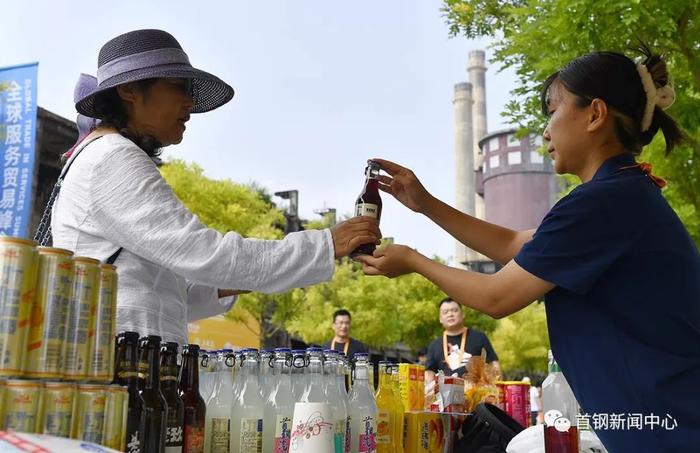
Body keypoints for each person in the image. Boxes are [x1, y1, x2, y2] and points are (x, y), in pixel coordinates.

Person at [356, 45, 700, 451]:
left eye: (553, 111)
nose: (546, 131)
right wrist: (425, 203)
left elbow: (497, 295)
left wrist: (413, 260)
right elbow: (516, 244)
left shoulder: (603, 201)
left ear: (595, 114)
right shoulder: (620, 193)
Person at [48, 29, 380, 346]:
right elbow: (206, 255)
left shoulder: (102, 155)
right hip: (119, 371)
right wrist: (323, 244)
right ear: (130, 91)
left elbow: (166, 292)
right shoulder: (113, 156)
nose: (190, 103)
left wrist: (250, 275)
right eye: (180, 87)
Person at [424, 297, 498, 383]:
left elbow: (493, 365)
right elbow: (429, 373)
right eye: (445, 312)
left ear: (463, 314)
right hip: (444, 394)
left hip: (476, 393)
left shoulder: (479, 338)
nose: (450, 314)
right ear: (440, 318)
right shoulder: (434, 345)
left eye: (454, 310)